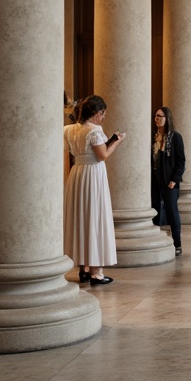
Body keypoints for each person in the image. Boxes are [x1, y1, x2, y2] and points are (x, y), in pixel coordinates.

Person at [64, 95, 124, 286]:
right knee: (95, 218)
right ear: (96, 113)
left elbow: (69, 158)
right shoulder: (95, 131)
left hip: (77, 174)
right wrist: (117, 141)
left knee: (80, 219)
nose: (103, 118)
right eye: (102, 113)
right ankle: (96, 272)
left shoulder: (69, 130)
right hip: (93, 176)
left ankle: (83, 269)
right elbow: (102, 155)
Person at [150, 106, 185, 257]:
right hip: (154, 181)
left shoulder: (175, 137)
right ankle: (155, 243)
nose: (157, 119)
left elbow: (181, 161)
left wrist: (174, 180)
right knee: (155, 209)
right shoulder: (152, 137)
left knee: (172, 211)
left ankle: (177, 243)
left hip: (170, 181)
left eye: (160, 116)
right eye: (156, 116)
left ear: (167, 118)